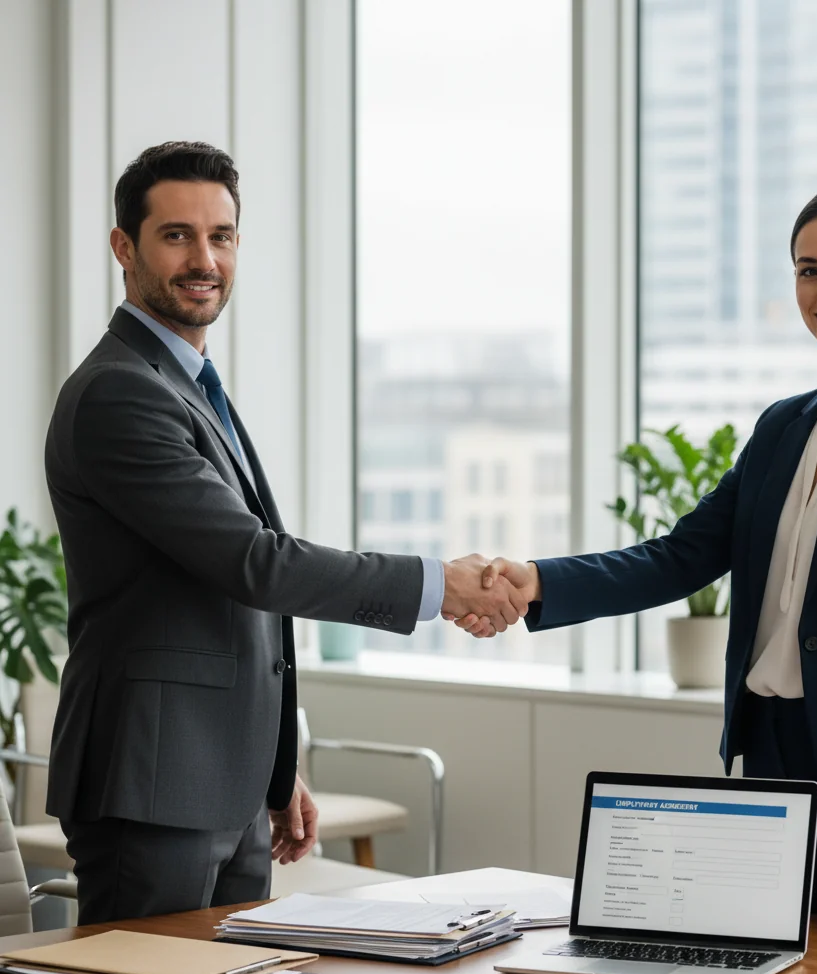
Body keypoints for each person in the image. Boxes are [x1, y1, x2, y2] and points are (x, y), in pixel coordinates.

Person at [452, 182, 817, 931]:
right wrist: (538, 580)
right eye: (809, 270)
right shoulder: (782, 428)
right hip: (772, 762)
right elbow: (679, 556)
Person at [45, 141, 526, 925]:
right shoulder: (119, 395)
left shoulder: (187, 384)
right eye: (177, 236)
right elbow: (255, 564)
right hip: (151, 784)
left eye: (222, 236)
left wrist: (268, 773)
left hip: (214, 781)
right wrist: (440, 586)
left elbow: (221, 603)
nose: (205, 258)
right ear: (123, 247)